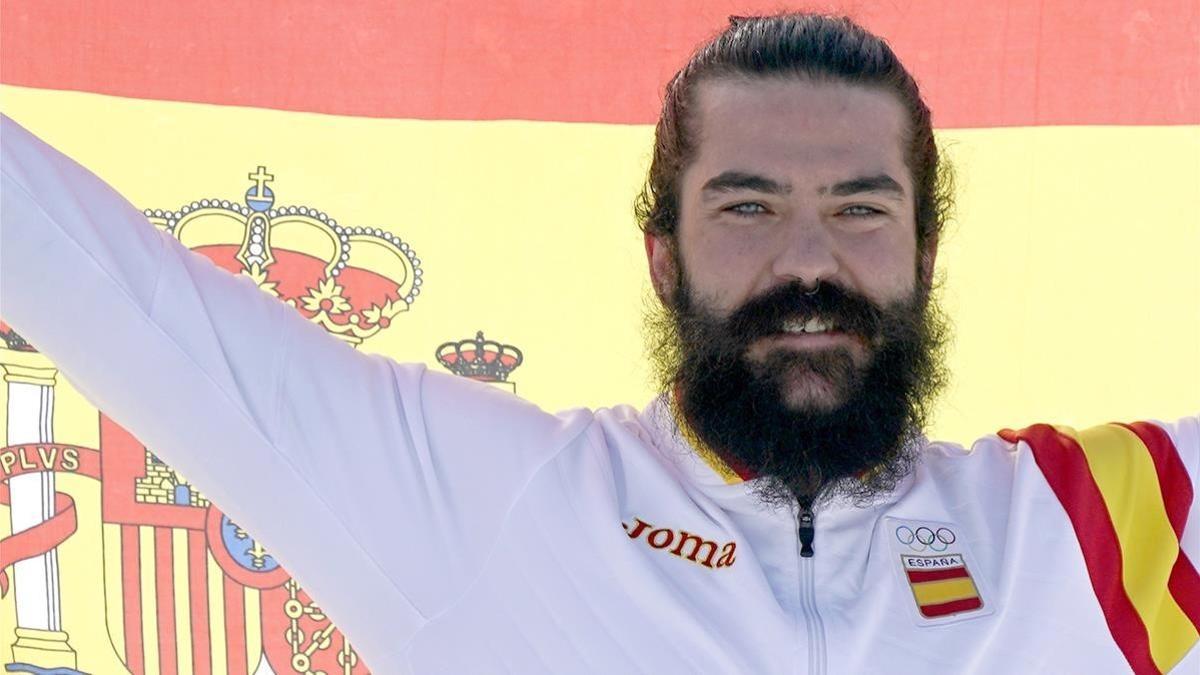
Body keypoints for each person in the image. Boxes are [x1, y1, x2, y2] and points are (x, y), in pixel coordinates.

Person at [1, 12, 1196, 675]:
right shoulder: (485, 505)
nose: (807, 262)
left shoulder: (1085, 528)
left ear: (926, 253)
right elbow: (108, 287)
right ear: (662, 258)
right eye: (747, 206)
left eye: (860, 208)